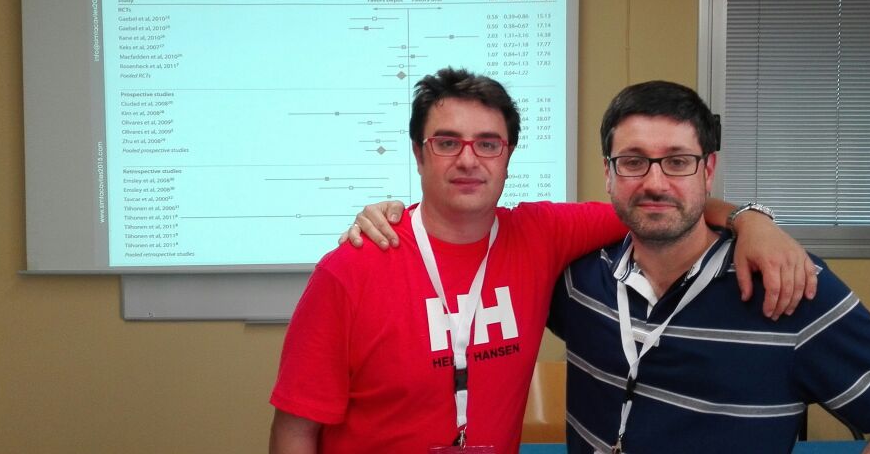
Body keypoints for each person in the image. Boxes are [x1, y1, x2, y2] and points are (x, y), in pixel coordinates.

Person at [270, 69, 815, 453]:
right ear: (418, 153)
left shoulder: (540, 234)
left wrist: (752, 221)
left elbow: (656, 202)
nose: (468, 159)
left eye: (488, 143)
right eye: (447, 142)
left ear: (508, 156)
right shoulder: (352, 269)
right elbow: (296, 430)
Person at [544, 81, 870, 452]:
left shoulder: (788, 285)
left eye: (678, 161)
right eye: (633, 162)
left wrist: (752, 219)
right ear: (608, 173)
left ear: (708, 171)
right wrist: (747, 216)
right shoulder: (578, 279)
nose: (655, 182)